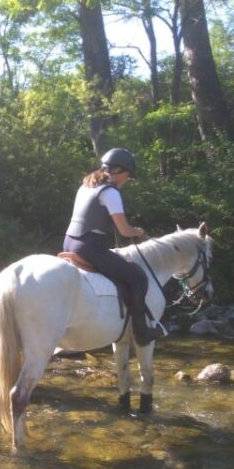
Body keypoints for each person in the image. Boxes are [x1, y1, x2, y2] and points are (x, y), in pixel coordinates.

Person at [63, 148, 163, 346]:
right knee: (137, 277)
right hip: (89, 247)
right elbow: (124, 230)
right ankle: (141, 332)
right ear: (118, 170)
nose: (128, 180)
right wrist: (138, 232)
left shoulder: (86, 185)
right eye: (128, 175)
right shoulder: (110, 192)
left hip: (70, 242)